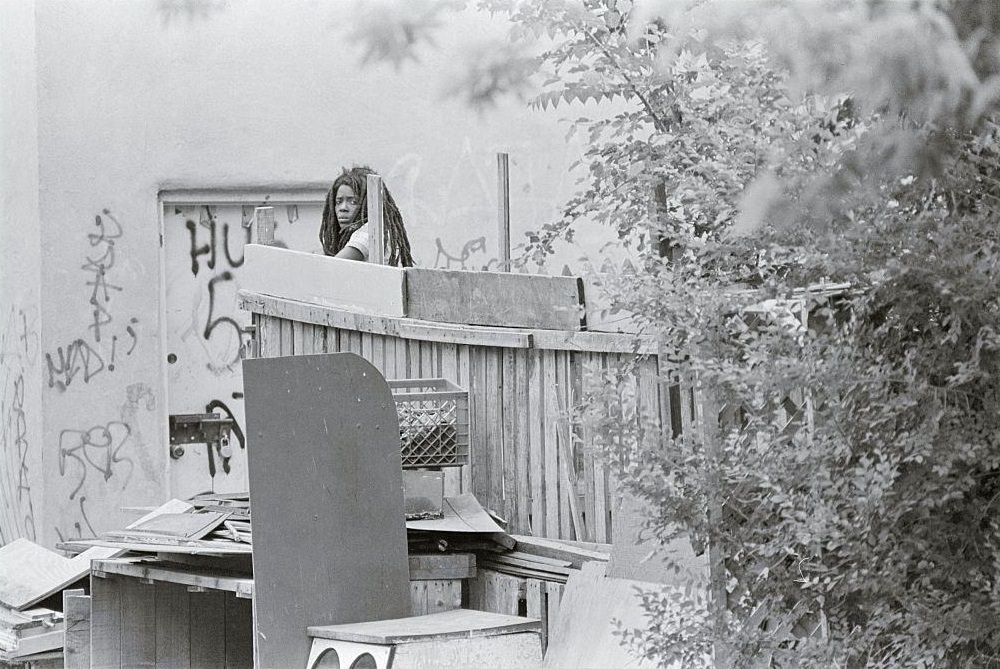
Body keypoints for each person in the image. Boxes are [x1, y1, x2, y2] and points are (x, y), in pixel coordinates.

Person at [319, 166, 415, 267]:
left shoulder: (370, 231)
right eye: (338, 202)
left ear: (369, 205)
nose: (343, 208)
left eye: (353, 202)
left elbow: (331, 267)